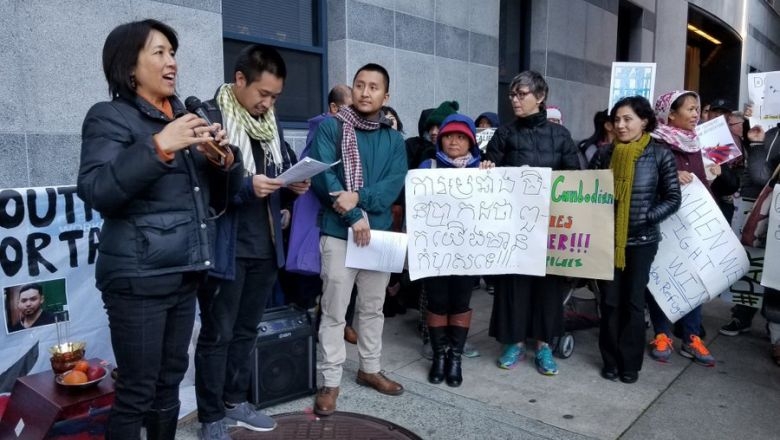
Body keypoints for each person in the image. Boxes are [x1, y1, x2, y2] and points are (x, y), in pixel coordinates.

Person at [77, 19, 243, 440]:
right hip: (137, 279)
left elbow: (216, 197)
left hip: (184, 272)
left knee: (169, 385)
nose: (172, 62)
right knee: (137, 391)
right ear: (129, 67)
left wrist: (224, 161)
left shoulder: (185, 117)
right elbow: (97, 190)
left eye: (173, 53)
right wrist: (159, 146)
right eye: (159, 53)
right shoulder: (109, 116)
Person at [193, 44, 310, 439]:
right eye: (263, 94)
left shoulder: (270, 125)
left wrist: (292, 188)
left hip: (265, 245)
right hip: (225, 247)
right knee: (217, 334)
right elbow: (202, 187)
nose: (268, 103)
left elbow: (280, 169)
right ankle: (211, 415)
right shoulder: (209, 118)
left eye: (275, 96)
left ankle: (235, 401)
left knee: (246, 330)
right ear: (240, 79)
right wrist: (245, 187)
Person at [308, 63, 408, 416]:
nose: (366, 92)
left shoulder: (394, 139)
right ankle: (330, 380)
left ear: (386, 95)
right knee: (334, 310)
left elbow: (393, 185)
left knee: (372, 308)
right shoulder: (331, 128)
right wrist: (353, 217)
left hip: (378, 235)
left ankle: (370, 368)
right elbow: (323, 178)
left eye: (374, 87)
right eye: (360, 85)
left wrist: (360, 199)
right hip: (338, 232)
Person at [484, 70, 579, 376]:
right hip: (513, 226)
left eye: (521, 94)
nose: (515, 100)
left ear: (540, 96)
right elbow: (490, 174)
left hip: (550, 225)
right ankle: (513, 342)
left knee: (547, 288)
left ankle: (543, 345)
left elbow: (574, 179)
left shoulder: (560, 136)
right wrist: (487, 168)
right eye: (512, 95)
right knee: (513, 285)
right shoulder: (505, 134)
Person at [591, 96, 681, 384]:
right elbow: (589, 193)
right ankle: (610, 360)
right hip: (608, 241)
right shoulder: (603, 154)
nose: (620, 125)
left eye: (627, 119)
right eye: (617, 119)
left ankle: (629, 363)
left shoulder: (660, 154)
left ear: (644, 121)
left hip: (642, 241)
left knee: (633, 302)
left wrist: (647, 216)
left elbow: (673, 198)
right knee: (610, 302)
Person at [418, 114, 494, 387]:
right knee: (437, 302)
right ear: (440, 139)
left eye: (461, 137)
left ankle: (455, 358)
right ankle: (439, 356)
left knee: (461, 302)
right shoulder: (427, 167)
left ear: (471, 142)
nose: (454, 141)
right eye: (449, 136)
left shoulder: (482, 169)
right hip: (435, 251)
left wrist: (490, 177)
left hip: (467, 252)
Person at [647, 90, 719, 367]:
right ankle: (662, 334)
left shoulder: (697, 143)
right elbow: (645, 179)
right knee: (663, 278)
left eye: (696, 108)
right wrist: (671, 175)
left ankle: (691, 336)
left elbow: (704, 184)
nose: (695, 114)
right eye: (689, 109)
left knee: (695, 280)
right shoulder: (654, 144)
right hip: (665, 224)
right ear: (670, 114)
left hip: (693, 225)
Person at [720, 122, 780, 336]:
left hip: (767, 211)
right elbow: (759, 176)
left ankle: (774, 328)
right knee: (752, 266)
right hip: (759, 209)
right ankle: (747, 317)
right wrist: (755, 145)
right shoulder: (770, 133)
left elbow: (760, 175)